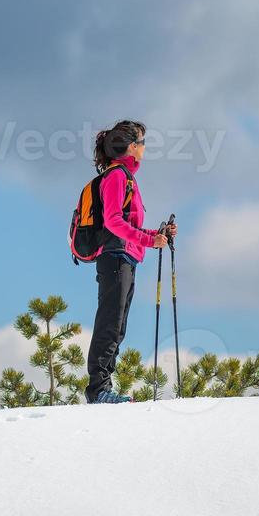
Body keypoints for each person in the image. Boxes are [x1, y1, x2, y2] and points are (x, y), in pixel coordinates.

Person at [85, 120, 175, 404]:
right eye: (143, 142)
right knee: (110, 322)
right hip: (114, 258)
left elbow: (127, 224)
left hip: (124, 257)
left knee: (118, 324)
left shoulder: (125, 178)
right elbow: (113, 222)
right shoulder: (116, 176)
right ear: (131, 147)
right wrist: (150, 241)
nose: (145, 148)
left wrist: (156, 235)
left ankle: (103, 387)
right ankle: (98, 389)